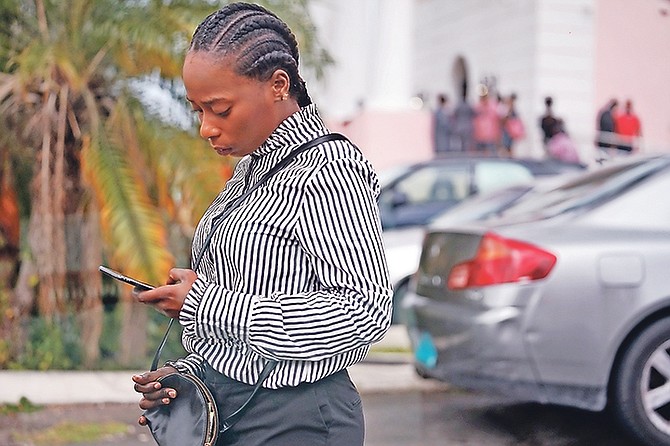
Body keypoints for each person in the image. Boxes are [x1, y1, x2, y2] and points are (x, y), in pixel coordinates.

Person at [131, 3, 393, 445]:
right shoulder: (253, 169)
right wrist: (190, 373)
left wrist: (206, 304)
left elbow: (364, 311)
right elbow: (253, 299)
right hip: (234, 408)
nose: (206, 129)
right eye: (198, 111)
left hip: (298, 419)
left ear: (277, 85)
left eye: (220, 108)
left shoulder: (328, 170)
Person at [472, 87, 503, 155]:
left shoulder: (493, 105)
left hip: (491, 137)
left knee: (491, 156)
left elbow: (499, 119)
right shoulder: (477, 106)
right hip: (479, 136)